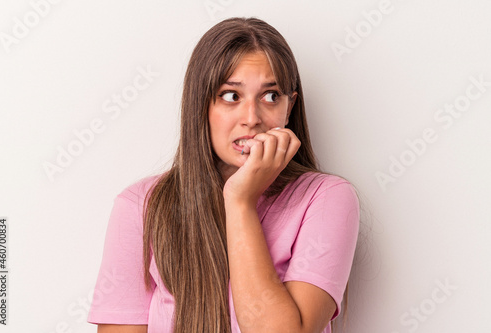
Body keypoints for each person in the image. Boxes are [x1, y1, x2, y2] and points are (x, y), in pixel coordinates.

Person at [87, 17, 359, 333]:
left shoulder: (327, 198)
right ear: (200, 105)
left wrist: (240, 201)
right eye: (231, 96)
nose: (252, 118)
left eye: (271, 96)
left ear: (290, 107)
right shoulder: (140, 205)